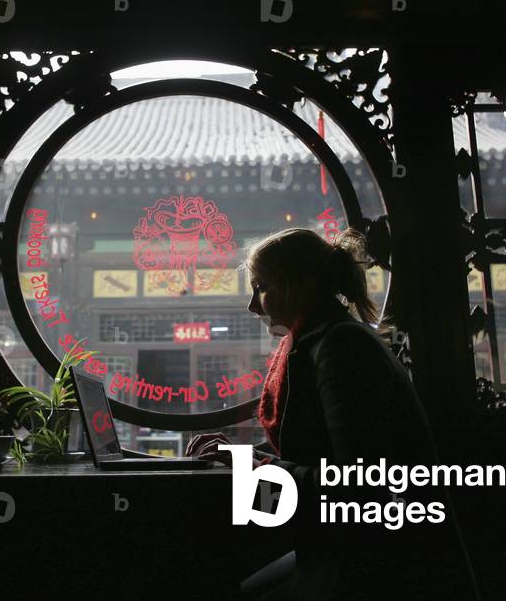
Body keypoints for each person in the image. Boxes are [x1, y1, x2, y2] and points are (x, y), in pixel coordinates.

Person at [187, 227, 480, 600]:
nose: (253, 305)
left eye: (261, 287)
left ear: (298, 285)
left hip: (378, 564)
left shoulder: (341, 349)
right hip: (355, 550)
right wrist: (239, 459)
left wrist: (250, 472)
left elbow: (356, 489)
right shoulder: (326, 340)